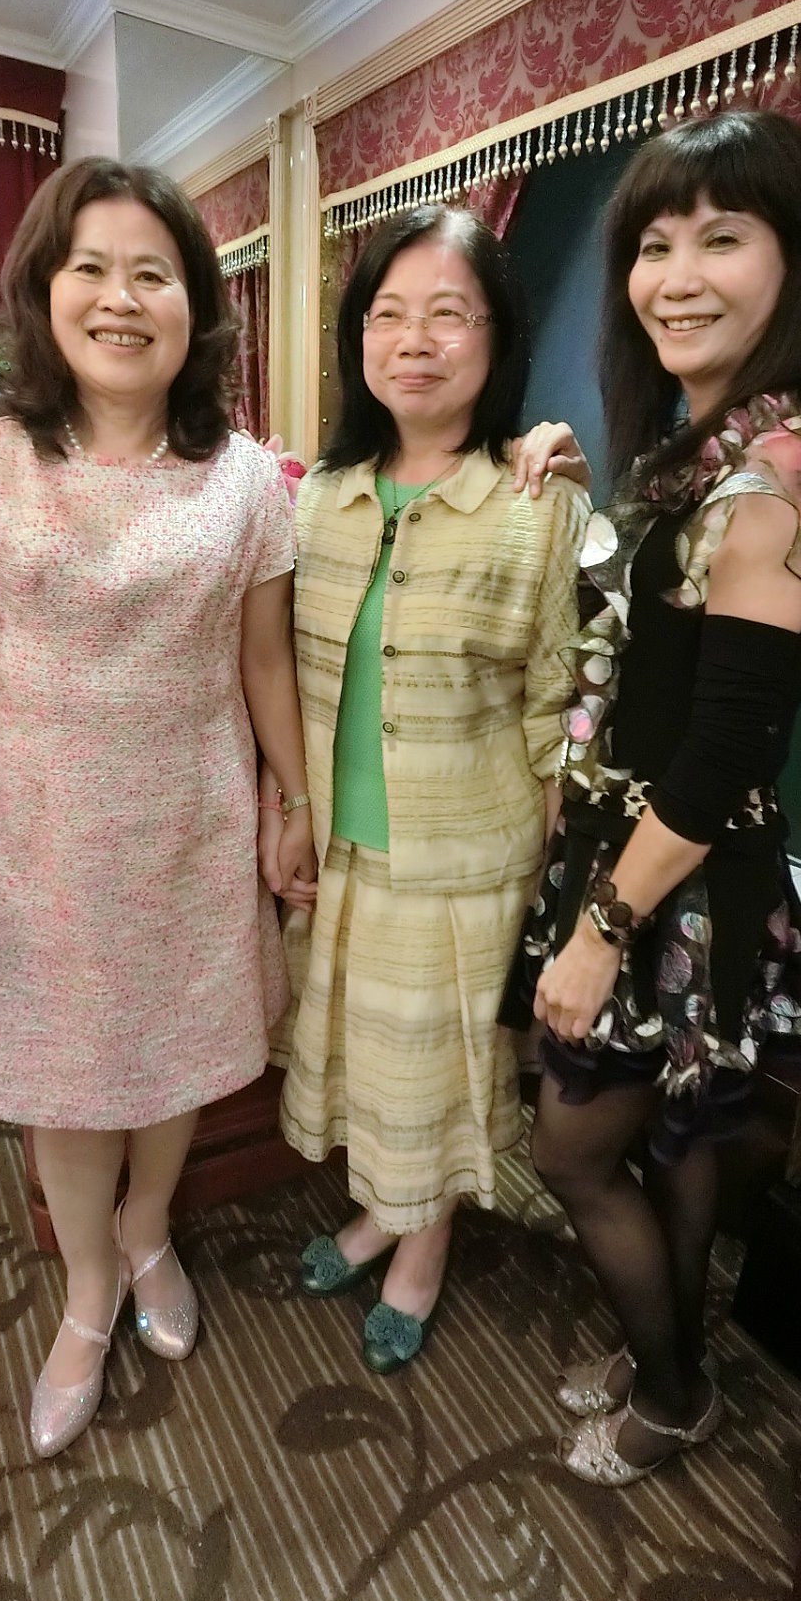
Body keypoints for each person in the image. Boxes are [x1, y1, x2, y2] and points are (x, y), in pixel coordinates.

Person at [500, 110, 801, 1485]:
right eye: (653, 245)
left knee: (571, 1149)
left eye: (719, 239)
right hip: (650, 846)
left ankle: (672, 1391)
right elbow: (656, 643)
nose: (675, 277)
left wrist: (600, 928)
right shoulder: (711, 439)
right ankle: (664, 1345)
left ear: (791, 261)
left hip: (677, 872)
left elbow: (728, 740)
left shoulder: (782, 465)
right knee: (673, 1140)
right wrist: (582, 488)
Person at [0, 157, 314, 1458]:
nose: (121, 298)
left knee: (174, 1056)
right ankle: (89, 1286)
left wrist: (294, 801)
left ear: (197, 305)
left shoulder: (245, 480)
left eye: (153, 273)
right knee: (68, 1078)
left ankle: (148, 1234)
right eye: (91, 268)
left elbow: (264, 664)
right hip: (39, 836)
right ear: (45, 291)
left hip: (193, 827)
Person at [262, 204, 589, 1374]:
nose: (413, 340)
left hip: (463, 854)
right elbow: (284, 677)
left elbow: (561, 704)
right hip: (340, 845)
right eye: (388, 314)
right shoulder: (319, 498)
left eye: (448, 314)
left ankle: (421, 1246)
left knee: (435, 1071)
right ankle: (380, 1212)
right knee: (363, 1058)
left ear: (497, 339)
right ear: (357, 337)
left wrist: (553, 873)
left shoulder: (537, 505)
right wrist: (289, 811)